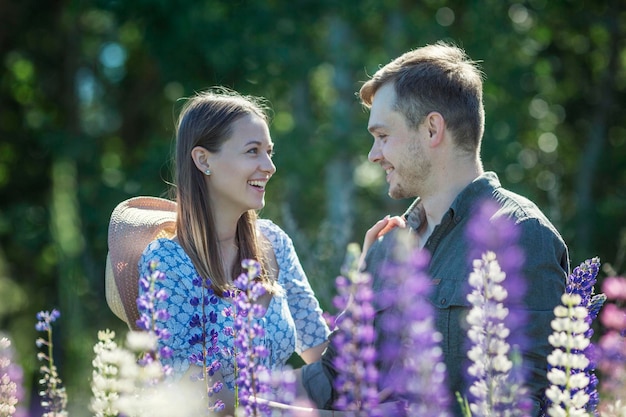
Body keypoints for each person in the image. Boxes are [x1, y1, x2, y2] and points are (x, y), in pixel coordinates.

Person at [300, 41, 569, 417]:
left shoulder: (520, 234)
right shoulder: (386, 245)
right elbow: (333, 379)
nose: (373, 155)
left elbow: (531, 402)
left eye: (382, 136)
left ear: (431, 129)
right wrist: (231, 395)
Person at [122, 88, 330, 414]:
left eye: (269, 152)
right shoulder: (168, 261)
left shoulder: (274, 244)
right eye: (253, 151)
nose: (269, 166)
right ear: (204, 160)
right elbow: (188, 393)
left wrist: (367, 272)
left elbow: (324, 357)